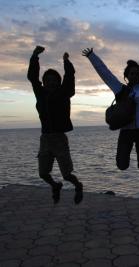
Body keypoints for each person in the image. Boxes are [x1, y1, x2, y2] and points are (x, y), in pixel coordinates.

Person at [27, 46, 83, 204]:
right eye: (47, 81)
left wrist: (66, 61)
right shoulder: (40, 94)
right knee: (43, 173)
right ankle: (55, 186)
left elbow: (70, 76)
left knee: (67, 174)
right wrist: (35, 56)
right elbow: (32, 77)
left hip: (59, 139)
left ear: (59, 83)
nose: (51, 83)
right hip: (45, 139)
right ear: (43, 83)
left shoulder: (64, 93)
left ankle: (78, 186)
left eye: (54, 81)